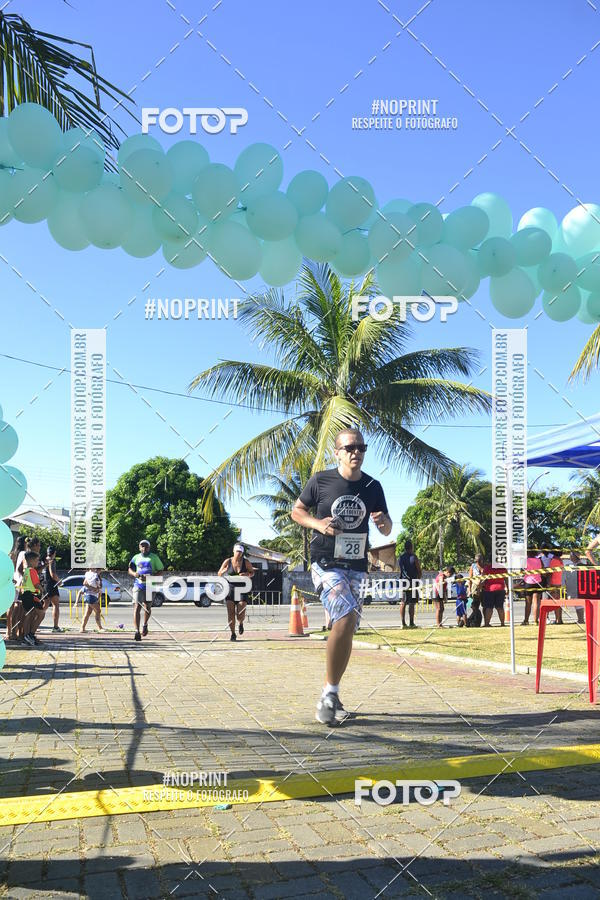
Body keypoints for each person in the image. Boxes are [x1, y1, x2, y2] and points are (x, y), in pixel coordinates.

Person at [291, 427, 392, 725]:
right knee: (345, 616)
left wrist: (383, 522)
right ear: (336, 453)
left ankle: (330, 693)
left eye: (361, 447)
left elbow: (387, 527)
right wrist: (318, 524)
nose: (356, 452)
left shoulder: (373, 486)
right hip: (326, 562)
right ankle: (330, 694)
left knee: (346, 628)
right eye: (349, 448)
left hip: (357, 565)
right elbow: (297, 511)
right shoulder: (321, 480)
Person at [218, 543, 255, 641]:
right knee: (230, 613)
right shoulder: (228, 561)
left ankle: (241, 623)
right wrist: (223, 571)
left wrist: (247, 574)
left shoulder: (246, 562)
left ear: (242, 553)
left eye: (240, 552)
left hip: (243, 589)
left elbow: (252, 573)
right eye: (237, 551)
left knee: (240, 614)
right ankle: (233, 634)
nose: (238, 554)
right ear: (233, 551)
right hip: (230, 589)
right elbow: (219, 573)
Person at [128, 539, 164, 641]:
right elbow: (130, 569)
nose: (144, 548)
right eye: (142, 546)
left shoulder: (154, 557)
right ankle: (136, 631)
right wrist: (134, 574)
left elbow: (161, 570)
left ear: (149, 547)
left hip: (150, 586)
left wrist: (150, 577)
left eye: (146, 546)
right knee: (137, 607)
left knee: (147, 607)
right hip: (138, 585)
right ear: (139, 547)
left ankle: (145, 624)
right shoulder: (136, 557)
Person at [20, 550, 45, 646]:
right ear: (31, 560)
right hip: (32, 595)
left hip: (26, 595)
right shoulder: (32, 571)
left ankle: (26, 636)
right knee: (41, 614)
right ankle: (30, 634)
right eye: (37, 560)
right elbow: (36, 584)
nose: (38, 562)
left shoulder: (26, 571)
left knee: (29, 615)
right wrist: (43, 590)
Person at [5, 535, 25, 643]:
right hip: (18, 581)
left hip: (11, 581)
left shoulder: (12, 554)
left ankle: (8, 631)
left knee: (10, 607)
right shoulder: (23, 554)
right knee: (17, 606)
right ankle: (15, 631)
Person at [398, 539, 421, 629]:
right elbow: (419, 570)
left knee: (403, 602)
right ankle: (411, 623)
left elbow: (400, 569)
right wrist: (418, 579)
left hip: (403, 582)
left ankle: (403, 623)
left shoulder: (401, 558)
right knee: (412, 603)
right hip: (412, 581)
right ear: (411, 547)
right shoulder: (414, 557)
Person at [43, 546, 63, 633]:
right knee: (56, 605)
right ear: (54, 553)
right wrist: (59, 581)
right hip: (52, 585)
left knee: (44, 606)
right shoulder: (52, 560)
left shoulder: (45, 560)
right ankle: (55, 627)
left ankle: (33, 624)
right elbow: (53, 574)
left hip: (45, 585)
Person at [481, 561, 506, 627]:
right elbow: (506, 578)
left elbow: (482, 579)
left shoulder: (487, 568)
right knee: (500, 607)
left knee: (489, 607)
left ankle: (487, 624)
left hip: (489, 589)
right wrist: (508, 588)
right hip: (500, 588)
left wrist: (479, 587)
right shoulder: (502, 567)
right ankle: (502, 623)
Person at [521, 553, 543, 625]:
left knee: (528, 603)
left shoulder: (525, 560)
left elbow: (522, 571)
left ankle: (526, 620)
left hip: (528, 582)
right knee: (536, 602)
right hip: (538, 582)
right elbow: (543, 570)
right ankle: (536, 620)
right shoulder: (539, 560)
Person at [79, 568, 104, 633]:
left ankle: (82, 628)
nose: (100, 571)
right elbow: (85, 583)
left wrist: (98, 588)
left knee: (88, 612)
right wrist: (94, 589)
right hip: (90, 595)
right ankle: (100, 627)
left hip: (93, 595)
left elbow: (100, 586)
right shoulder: (91, 575)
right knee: (98, 610)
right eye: (99, 569)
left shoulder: (97, 576)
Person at [566, 548, 585, 625]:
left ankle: (581, 619)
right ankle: (580, 619)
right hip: (573, 587)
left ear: (575, 556)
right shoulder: (571, 565)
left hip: (578, 587)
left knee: (579, 604)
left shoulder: (580, 565)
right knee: (576, 604)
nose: (570, 557)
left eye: (571, 555)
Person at [547, 549, 564, 625]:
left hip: (554, 583)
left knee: (555, 602)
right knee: (558, 602)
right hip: (560, 582)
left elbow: (550, 573)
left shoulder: (554, 560)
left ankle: (558, 619)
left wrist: (548, 583)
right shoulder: (560, 560)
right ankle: (559, 619)